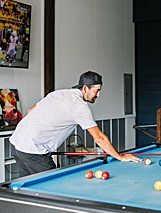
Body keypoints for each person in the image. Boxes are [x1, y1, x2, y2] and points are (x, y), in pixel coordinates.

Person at [9, 72, 143, 178]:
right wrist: (120, 157)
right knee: (52, 191)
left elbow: (30, 111)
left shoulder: (59, 93)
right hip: (33, 150)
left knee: (28, 188)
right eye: (96, 90)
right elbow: (99, 138)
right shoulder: (79, 107)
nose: (99, 95)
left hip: (17, 142)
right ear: (85, 88)